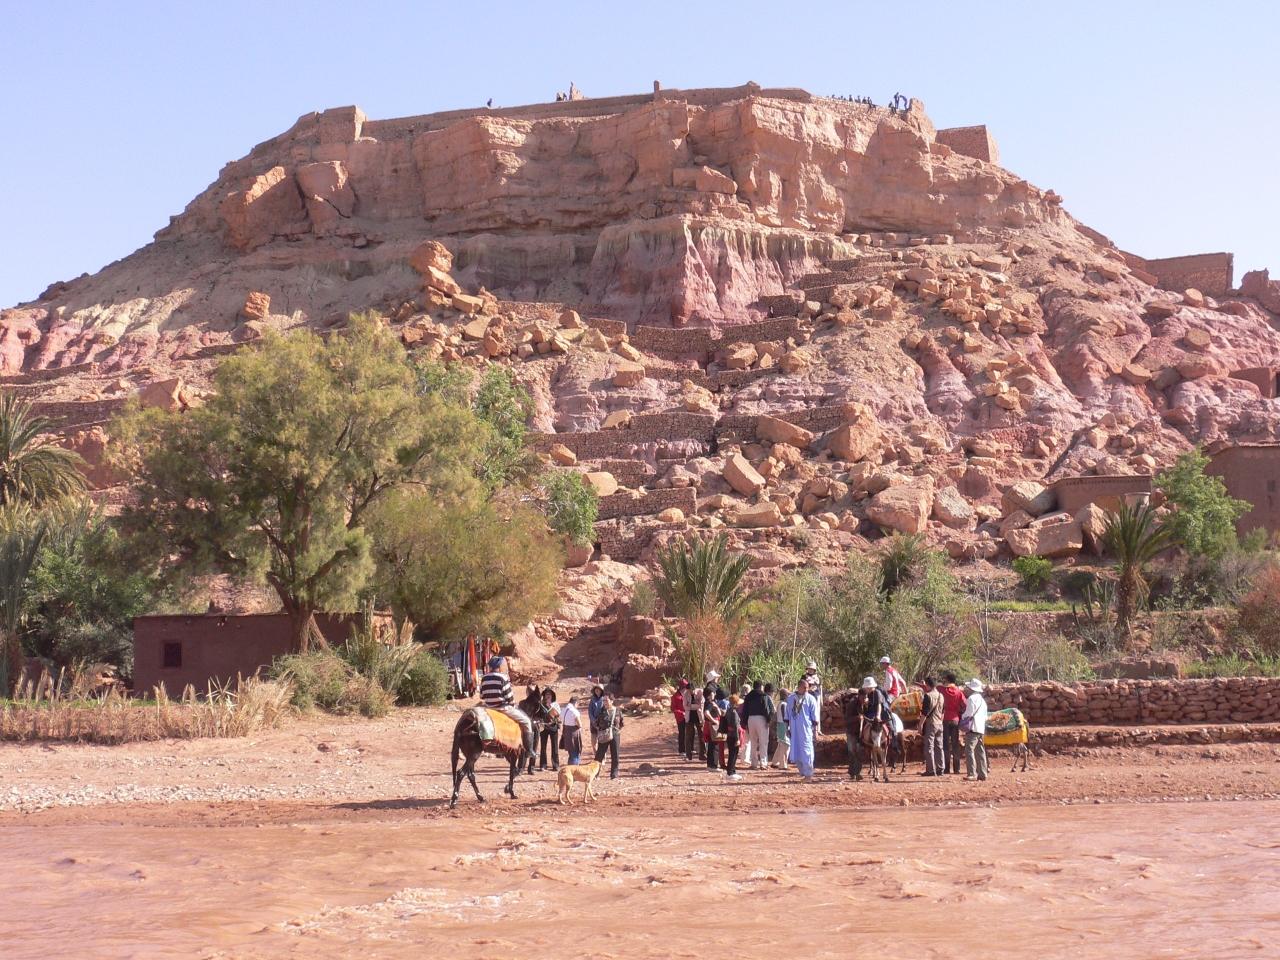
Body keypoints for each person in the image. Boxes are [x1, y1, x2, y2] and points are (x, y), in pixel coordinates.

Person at [479, 657, 534, 758]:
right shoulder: (503, 678)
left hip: (488, 708)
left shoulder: (484, 678)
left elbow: (481, 696)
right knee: (527, 721)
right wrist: (513, 704)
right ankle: (529, 750)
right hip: (502, 708)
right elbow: (509, 698)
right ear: (499, 667)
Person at [787, 678, 820, 780]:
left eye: (807, 687)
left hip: (806, 729)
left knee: (807, 751)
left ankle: (808, 774)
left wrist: (815, 731)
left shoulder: (811, 699)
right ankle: (802, 772)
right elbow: (787, 715)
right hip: (794, 730)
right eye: (804, 687)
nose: (806, 689)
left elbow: (815, 717)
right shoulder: (791, 699)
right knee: (796, 751)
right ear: (799, 687)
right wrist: (787, 728)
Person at [962, 679, 989, 781]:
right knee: (980, 751)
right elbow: (985, 717)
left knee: (969, 750)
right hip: (981, 728)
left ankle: (972, 773)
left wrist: (962, 717)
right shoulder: (983, 701)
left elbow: (968, 713)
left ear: (971, 688)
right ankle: (983, 773)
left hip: (973, 728)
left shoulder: (971, 699)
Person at [743, 680, 773, 771]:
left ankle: (754, 763)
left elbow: (745, 710)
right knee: (763, 742)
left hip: (750, 719)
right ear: (761, 686)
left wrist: (745, 722)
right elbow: (766, 708)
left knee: (753, 742)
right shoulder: (763, 696)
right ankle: (763, 763)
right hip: (761, 719)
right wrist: (768, 720)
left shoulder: (748, 696)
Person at [592, 693, 624, 779]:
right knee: (599, 755)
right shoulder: (601, 711)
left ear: (612, 701)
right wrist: (601, 730)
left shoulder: (617, 711)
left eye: (606, 700)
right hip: (604, 735)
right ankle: (595, 774)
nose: (605, 702)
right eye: (603, 700)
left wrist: (616, 730)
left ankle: (614, 775)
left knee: (615, 755)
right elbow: (596, 723)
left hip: (615, 735)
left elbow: (621, 723)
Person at [918, 677, 945, 776]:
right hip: (940, 723)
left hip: (931, 723)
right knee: (939, 746)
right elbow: (943, 711)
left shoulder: (928, 696)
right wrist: (940, 721)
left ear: (928, 685)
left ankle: (930, 770)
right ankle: (940, 768)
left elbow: (924, 712)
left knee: (929, 747)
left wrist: (920, 724)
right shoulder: (941, 695)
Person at [941, 673, 966, 775]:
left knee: (946, 744)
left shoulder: (943, 690)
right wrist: (959, 712)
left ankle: (946, 768)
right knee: (955, 744)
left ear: (947, 680)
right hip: (955, 719)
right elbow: (965, 705)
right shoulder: (959, 692)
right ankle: (957, 769)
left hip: (945, 718)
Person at [519, 684, 544, 774]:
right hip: (525, 728)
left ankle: (531, 768)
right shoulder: (522, 703)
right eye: (529, 690)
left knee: (534, 747)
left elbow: (542, 716)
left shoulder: (539, 704)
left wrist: (537, 721)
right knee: (523, 748)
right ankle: (521, 768)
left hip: (535, 727)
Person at [843, 686, 866, 780]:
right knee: (852, 751)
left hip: (860, 732)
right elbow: (846, 720)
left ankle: (857, 773)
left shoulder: (864, 704)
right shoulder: (851, 704)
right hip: (851, 731)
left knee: (859, 751)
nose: (864, 699)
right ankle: (852, 773)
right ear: (859, 696)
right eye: (863, 698)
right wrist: (857, 718)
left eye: (865, 698)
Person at [722, 694, 744, 780]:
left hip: (729, 735)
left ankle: (732, 771)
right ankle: (730, 772)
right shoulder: (734, 713)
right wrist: (737, 739)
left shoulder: (728, 710)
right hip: (733, 736)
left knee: (733, 753)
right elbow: (735, 727)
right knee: (733, 754)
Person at [539, 687, 561, 771]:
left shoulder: (555, 704)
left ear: (552, 695)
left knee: (554, 747)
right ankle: (543, 765)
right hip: (544, 727)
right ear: (544, 695)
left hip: (553, 727)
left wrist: (550, 707)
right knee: (543, 747)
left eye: (550, 694)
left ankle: (555, 765)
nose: (548, 696)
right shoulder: (541, 704)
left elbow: (558, 715)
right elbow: (538, 715)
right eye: (546, 694)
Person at [559, 693, 583, 765]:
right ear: (576, 703)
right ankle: (574, 769)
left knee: (571, 754)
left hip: (566, 732)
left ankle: (570, 768)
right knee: (575, 754)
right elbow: (580, 724)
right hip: (573, 734)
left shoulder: (563, 710)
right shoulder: (574, 711)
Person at [704, 689, 724, 771]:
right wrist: (714, 720)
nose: (714, 694)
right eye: (712, 693)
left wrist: (716, 707)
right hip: (713, 725)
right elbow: (706, 713)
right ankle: (714, 765)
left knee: (711, 745)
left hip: (711, 725)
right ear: (709, 695)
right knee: (715, 744)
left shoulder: (711, 703)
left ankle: (710, 764)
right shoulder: (709, 703)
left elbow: (719, 713)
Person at [772, 686, 791, 769]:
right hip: (783, 725)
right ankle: (783, 764)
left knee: (781, 744)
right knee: (786, 745)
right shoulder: (784, 704)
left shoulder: (780, 704)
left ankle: (775, 762)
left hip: (780, 725)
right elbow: (785, 717)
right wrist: (788, 727)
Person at [802, 661, 823, 734]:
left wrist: (821, 699)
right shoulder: (804, 677)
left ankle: (817, 730)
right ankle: (808, 729)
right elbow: (801, 686)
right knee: (807, 712)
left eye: (812, 669)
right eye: (809, 668)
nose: (810, 670)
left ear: (814, 669)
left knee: (816, 712)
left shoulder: (817, 677)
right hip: (807, 696)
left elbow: (820, 688)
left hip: (816, 696)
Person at [671, 679, 689, 757]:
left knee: (689, 733)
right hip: (680, 718)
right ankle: (682, 750)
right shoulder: (675, 696)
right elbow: (673, 708)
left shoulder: (687, 694)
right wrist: (682, 713)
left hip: (688, 716)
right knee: (682, 733)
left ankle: (689, 749)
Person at [686, 687, 704, 760]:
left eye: (691, 690)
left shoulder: (700, 693)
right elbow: (685, 706)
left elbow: (701, 705)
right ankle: (688, 755)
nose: (690, 692)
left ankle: (702, 754)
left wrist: (690, 705)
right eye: (688, 690)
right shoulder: (686, 694)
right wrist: (695, 705)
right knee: (688, 736)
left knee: (701, 736)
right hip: (689, 718)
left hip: (699, 717)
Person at [588, 684, 606, 751]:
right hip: (593, 723)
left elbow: (606, 712)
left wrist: (601, 721)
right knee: (593, 742)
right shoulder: (592, 699)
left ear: (601, 691)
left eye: (599, 689)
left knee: (602, 742)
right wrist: (593, 721)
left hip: (602, 724)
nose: (597, 690)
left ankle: (602, 755)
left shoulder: (604, 699)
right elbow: (590, 711)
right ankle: (595, 753)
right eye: (596, 689)